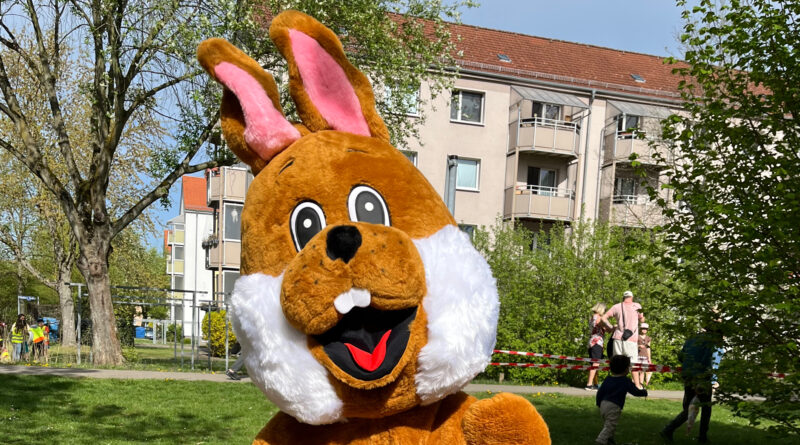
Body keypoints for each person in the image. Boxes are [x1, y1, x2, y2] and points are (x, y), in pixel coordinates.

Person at [660, 328, 721, 443]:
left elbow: (681, 356)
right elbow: (708, 361)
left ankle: (668, 430)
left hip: (687, 374)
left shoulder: (691, 339)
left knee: (688, 408)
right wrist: (703, 379)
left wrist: (689, 365)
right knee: (706, 407)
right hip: (701, 377)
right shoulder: (710, 342)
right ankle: (702, 437)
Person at [595, 354, 649, 445]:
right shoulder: (625, 380)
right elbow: (635, 391)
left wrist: (598, 403)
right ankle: (600, 441)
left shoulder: (608, 379)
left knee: (608, 424)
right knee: (610, 426)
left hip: (603, 405)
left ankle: (610, 441)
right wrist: (644, 392)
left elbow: (600, 393)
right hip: (614, 406)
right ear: (625, 369)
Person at [601, 290, 645, 388]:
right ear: (632, 297)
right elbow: (642, 320)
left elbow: (604, 318)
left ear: (623, 297)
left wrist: (611, 327)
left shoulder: (616, 306)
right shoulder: (637, 306)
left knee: (617, 363)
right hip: (631, 339)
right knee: (633, 363)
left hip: (617, 338)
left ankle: (616, 385)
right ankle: (638, 386)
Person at [586, 302, 608, 391]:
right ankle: (589, 384)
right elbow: (607, 328)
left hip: (591, 342)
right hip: (597, 343)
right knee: (596, 363)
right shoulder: (599, 318)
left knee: (593, 364)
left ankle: (595, 384)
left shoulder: (592, 317)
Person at [636, 322, 652, 387]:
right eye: (643, 328)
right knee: (637, 371)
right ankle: (636, 385)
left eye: (646, 329)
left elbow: (648, 348)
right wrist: (639, 346)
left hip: (645, 356)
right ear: (640, 329)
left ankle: (641, 385)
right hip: (637, 356)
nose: (644, 330)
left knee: (643, 371)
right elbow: (633, 346)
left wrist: (649, 359)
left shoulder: (648, 338)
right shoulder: (637, 336)